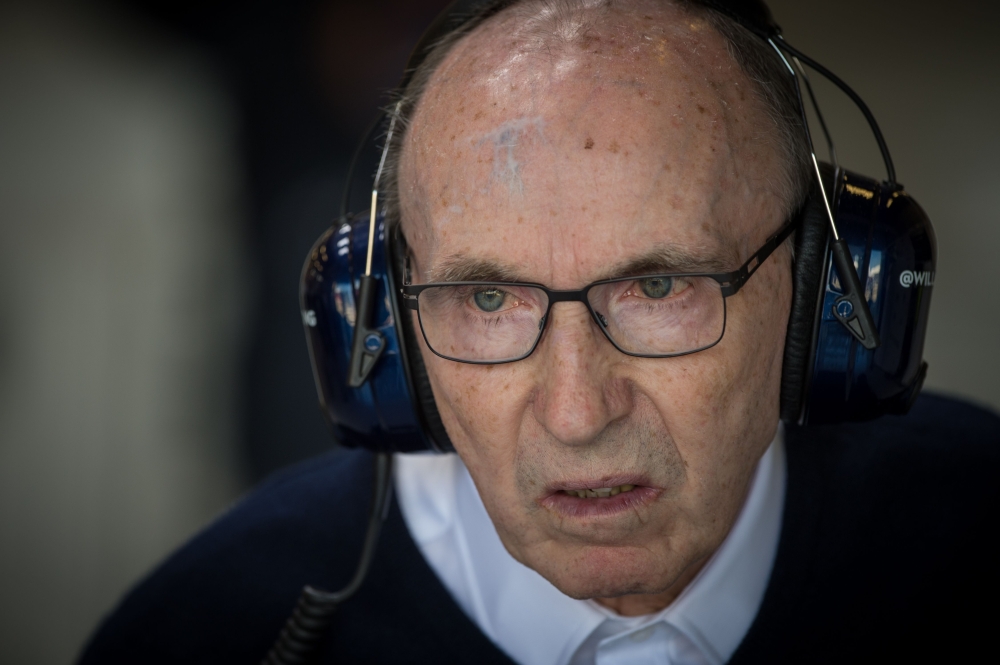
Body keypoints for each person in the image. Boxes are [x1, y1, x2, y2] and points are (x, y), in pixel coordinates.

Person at [78, 0, 1000, 663]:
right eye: (487, 300)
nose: (575, 413)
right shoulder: (200, 629)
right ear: (385, 329)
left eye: (659, 284)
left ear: (825, 296)